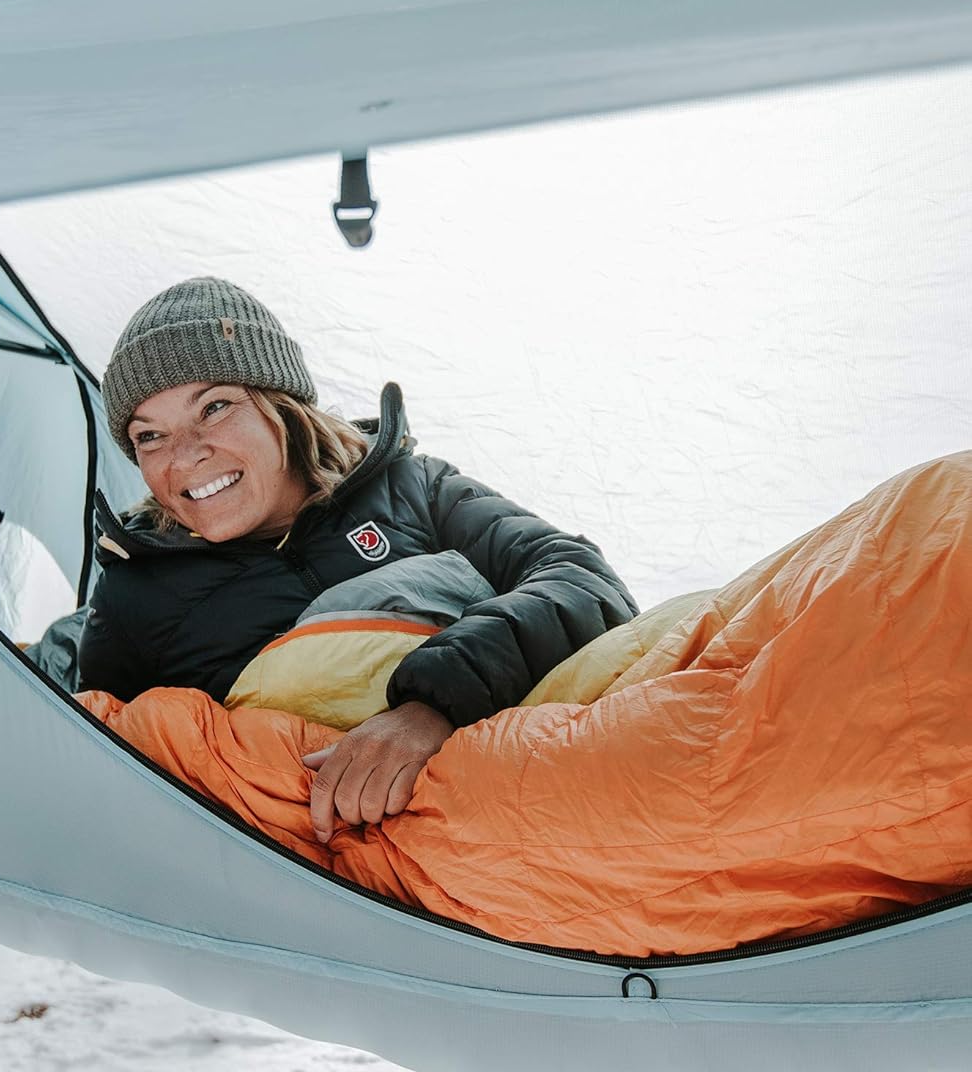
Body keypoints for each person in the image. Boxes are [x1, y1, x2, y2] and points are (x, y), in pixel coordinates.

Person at [78, 277, 638, 844]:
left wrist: (431, 705)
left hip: (530, 796)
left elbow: (587, 585)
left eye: (215, 407)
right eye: (149, 437)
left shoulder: (414, 488)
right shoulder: (135, 596)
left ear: (282, 405)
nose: (186, 455)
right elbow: (96, 778)